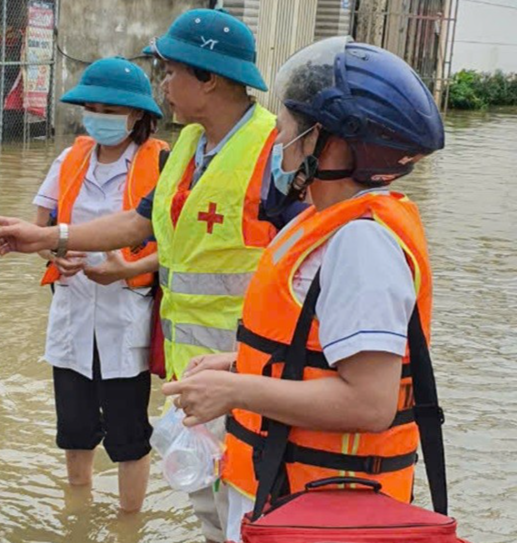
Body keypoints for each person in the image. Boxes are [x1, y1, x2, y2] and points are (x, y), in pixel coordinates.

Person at [0, 9, 305, 542]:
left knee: (253, 507)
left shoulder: (275, 153)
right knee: (211, 505)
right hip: (193, 365)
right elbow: (138, 221)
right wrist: (46, 238)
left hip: (252, 367)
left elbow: (308, 258)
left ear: (210, 78)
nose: (163, 86)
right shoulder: (190, 151)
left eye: (171, 72)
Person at [162, 36, 446, 542]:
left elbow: (369, 403)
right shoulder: (321, 224)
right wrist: (237, 364)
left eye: (291, 126)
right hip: (282, 495)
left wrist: (234, 391)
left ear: (332, 143)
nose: (278, 137)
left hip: (324, 510)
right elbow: (313, 350)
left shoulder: (363, 243)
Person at [32, 57, 167, 512]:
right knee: (75, 426)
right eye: (92, 108)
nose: (99, 118)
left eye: (111, 110)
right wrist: (53, 252)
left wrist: (128, 269)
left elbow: (176, 246)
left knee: (129, 433)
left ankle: (129, 524)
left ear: (137, 116)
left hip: (125, 308)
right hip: (73, 306)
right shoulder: (70, 158)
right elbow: (41, 226)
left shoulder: (161, 162)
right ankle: (79, 512)